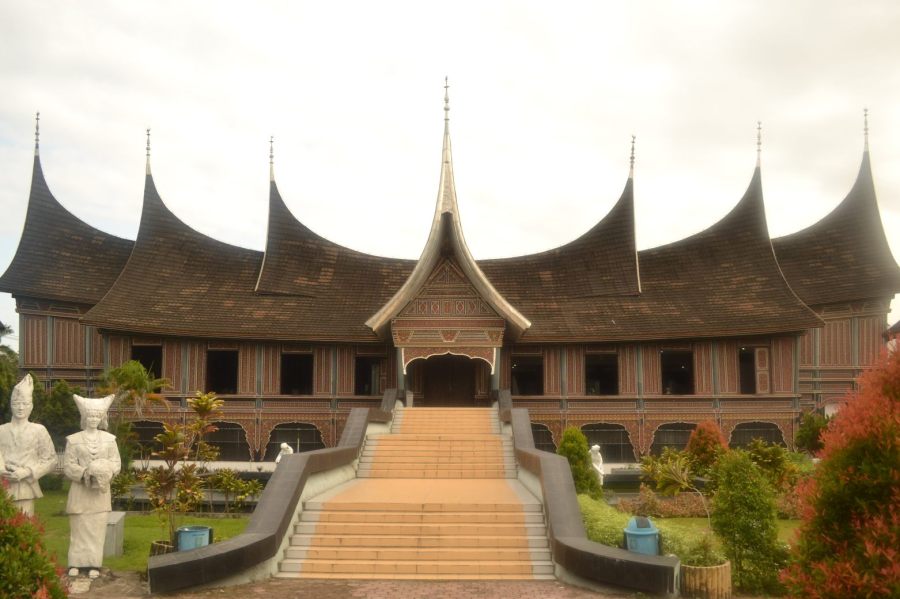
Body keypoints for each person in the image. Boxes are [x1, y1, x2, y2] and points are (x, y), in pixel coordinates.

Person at [64, 394, 120, 579]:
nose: (93, 419)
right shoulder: (73, 440)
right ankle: (75, 563)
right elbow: (68, 465)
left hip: (99, 494)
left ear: (102, 417)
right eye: (90, 416)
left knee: (97, 529)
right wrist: (85, 473)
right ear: (84, 417)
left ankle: (94, 564)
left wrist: (106, 471)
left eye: (97, 416)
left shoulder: (110, 440)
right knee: (78, 529)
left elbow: (116, 463)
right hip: (80, 492)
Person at [0, 374, 57, 515]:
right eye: (16, 404)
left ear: (31, 406)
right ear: (11, 406)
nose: (20, 408)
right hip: (3, 486)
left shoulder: (38, 430)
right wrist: (1, 470)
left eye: (24, 404)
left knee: (24, 524)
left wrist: (27, 472)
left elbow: (51, 460)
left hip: (25, 489)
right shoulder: (2, 430)